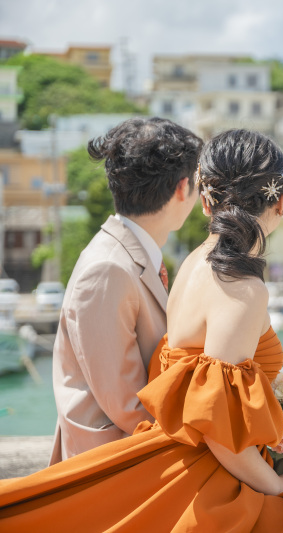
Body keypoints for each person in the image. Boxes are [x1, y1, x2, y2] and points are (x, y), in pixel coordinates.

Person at [0, 130, 283, 532]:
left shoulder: (192, 263)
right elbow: (219, 429)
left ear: (206, 201)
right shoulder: (242, 288)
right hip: (208, 476)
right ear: (281, 202)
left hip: (181, 458)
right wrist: (279, 484)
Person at [50, 117, 203, 465]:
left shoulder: (127, 255)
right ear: (182, 188)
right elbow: (127, 405)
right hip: (112, 466)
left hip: (142, 448)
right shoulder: (108, 268)